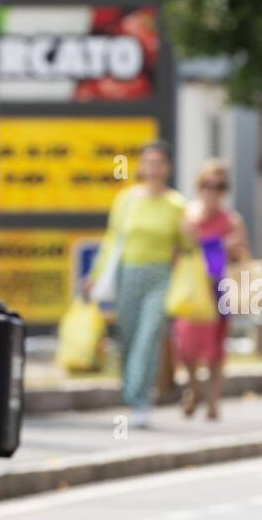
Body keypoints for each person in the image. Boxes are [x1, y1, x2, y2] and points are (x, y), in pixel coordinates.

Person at [84, 141, 195, 429]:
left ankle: (140, 398)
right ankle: (130, 392)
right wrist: (94, 275)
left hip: (160, 276)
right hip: (128, 274)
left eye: (159, 163)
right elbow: (112, 241)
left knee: (149, 338)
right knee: (130, 337)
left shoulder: (176, 204)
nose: (153, 168)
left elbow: (187, 247)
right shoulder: (127, 200)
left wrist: (189, 235)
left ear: (167, 168)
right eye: (148, 162)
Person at [172, 160, 249, 420]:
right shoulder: (187, 217)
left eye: (219, 186)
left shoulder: (232, 221)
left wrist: (232, 247)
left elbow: (243, 257)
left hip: (219, 288)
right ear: (198, 186)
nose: (212, 191)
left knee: (215, 347)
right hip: (193, 288)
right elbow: (175, 254)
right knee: (186, 346)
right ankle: (194, 388)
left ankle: (213, 400)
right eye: (207, 185)